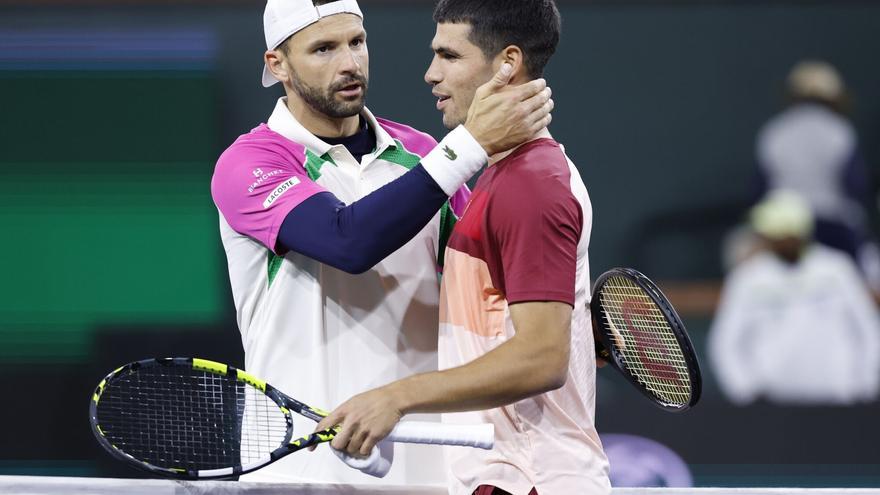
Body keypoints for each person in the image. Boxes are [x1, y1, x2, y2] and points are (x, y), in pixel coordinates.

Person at [210, 0, 553, 485]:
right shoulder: (248, 163)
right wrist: (472, 145)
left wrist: (560, 321)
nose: (350, 63)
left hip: (429, 471)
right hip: (303, 474)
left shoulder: (423, 155)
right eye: (324, 48)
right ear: (277, 64)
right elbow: (348, 242)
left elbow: (489, 286)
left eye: (357, 42)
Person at [316, 1, 612, 494]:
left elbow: (542, 358)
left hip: (529, 478)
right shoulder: (504, 176)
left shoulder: (531, 185)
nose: (431, 74)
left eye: (449, 56)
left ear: (507, 64)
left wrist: (395, 397)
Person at [709, 190, 880, 405]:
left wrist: (864, 386)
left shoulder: (837, 269)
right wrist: (747, 391)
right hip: (775, 407)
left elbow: (868, 329)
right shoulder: (747, 278)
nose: (769, 238)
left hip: (838, 400)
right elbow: (726, 342)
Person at [754, 60, 880, 292]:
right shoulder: (840, 131)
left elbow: (760, 190)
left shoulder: (774, 132)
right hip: (834, 232)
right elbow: (855, 186)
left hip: (782, 236)